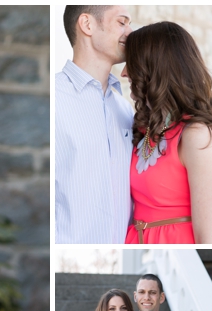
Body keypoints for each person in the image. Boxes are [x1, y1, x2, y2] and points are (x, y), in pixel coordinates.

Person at [120, 21, 212, 244]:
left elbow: (209, 236)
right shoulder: (144, 128)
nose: (124, 73)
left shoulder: (196, 136)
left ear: (154, 67)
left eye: (131, 64)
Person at [55, 5, 134, 244]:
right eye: (122, 22)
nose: (130, 31)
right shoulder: (53, 98)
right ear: (87, 25)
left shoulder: (125, 110)